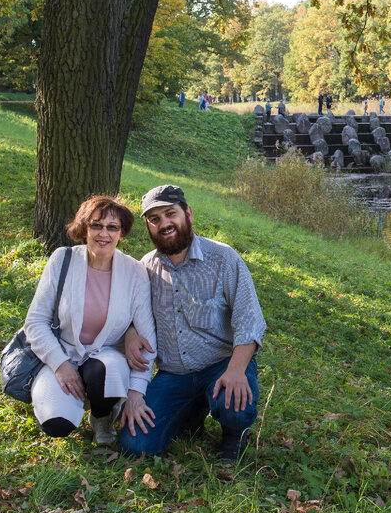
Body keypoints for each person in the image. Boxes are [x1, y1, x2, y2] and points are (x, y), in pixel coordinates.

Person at [119, 184, 265, 462]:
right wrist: (129, 334)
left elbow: (250, 321)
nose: (164, 224)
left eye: (170, 214)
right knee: (135, 444)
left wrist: (236, 371)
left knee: (234, 406)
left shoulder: (223, 259)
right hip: (174, 375)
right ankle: (191, 413)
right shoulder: (145, 269)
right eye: (155, 219)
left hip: (221, 365)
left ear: (188, 213)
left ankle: (234, 435)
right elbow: (127, 314)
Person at [24, 196, 159, 445]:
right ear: (84, 228)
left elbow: (147, 339)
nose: (103, 234)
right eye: (96, 225)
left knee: (105, 370)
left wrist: (136, 393)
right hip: (62, 352)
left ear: (121, 233)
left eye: (112, 227)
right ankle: (70, 399)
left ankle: (102, 416)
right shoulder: (62, 260)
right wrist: (61, 365)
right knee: (57, 426)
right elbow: (35, 322)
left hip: (106, 358)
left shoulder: (135, 272)